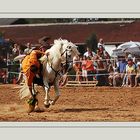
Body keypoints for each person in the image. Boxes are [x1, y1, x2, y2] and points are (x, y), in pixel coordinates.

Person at [21, 46, 49, 112]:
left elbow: (34, 51)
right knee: (33, 89)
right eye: (37, 72)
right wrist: (32, 95)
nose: (38, 72)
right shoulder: (29, 75)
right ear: (34, 73)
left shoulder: (34, 61)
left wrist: (44, 53)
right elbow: (29, 86)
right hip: (25, 65)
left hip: (30, 60)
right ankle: (34, 104)